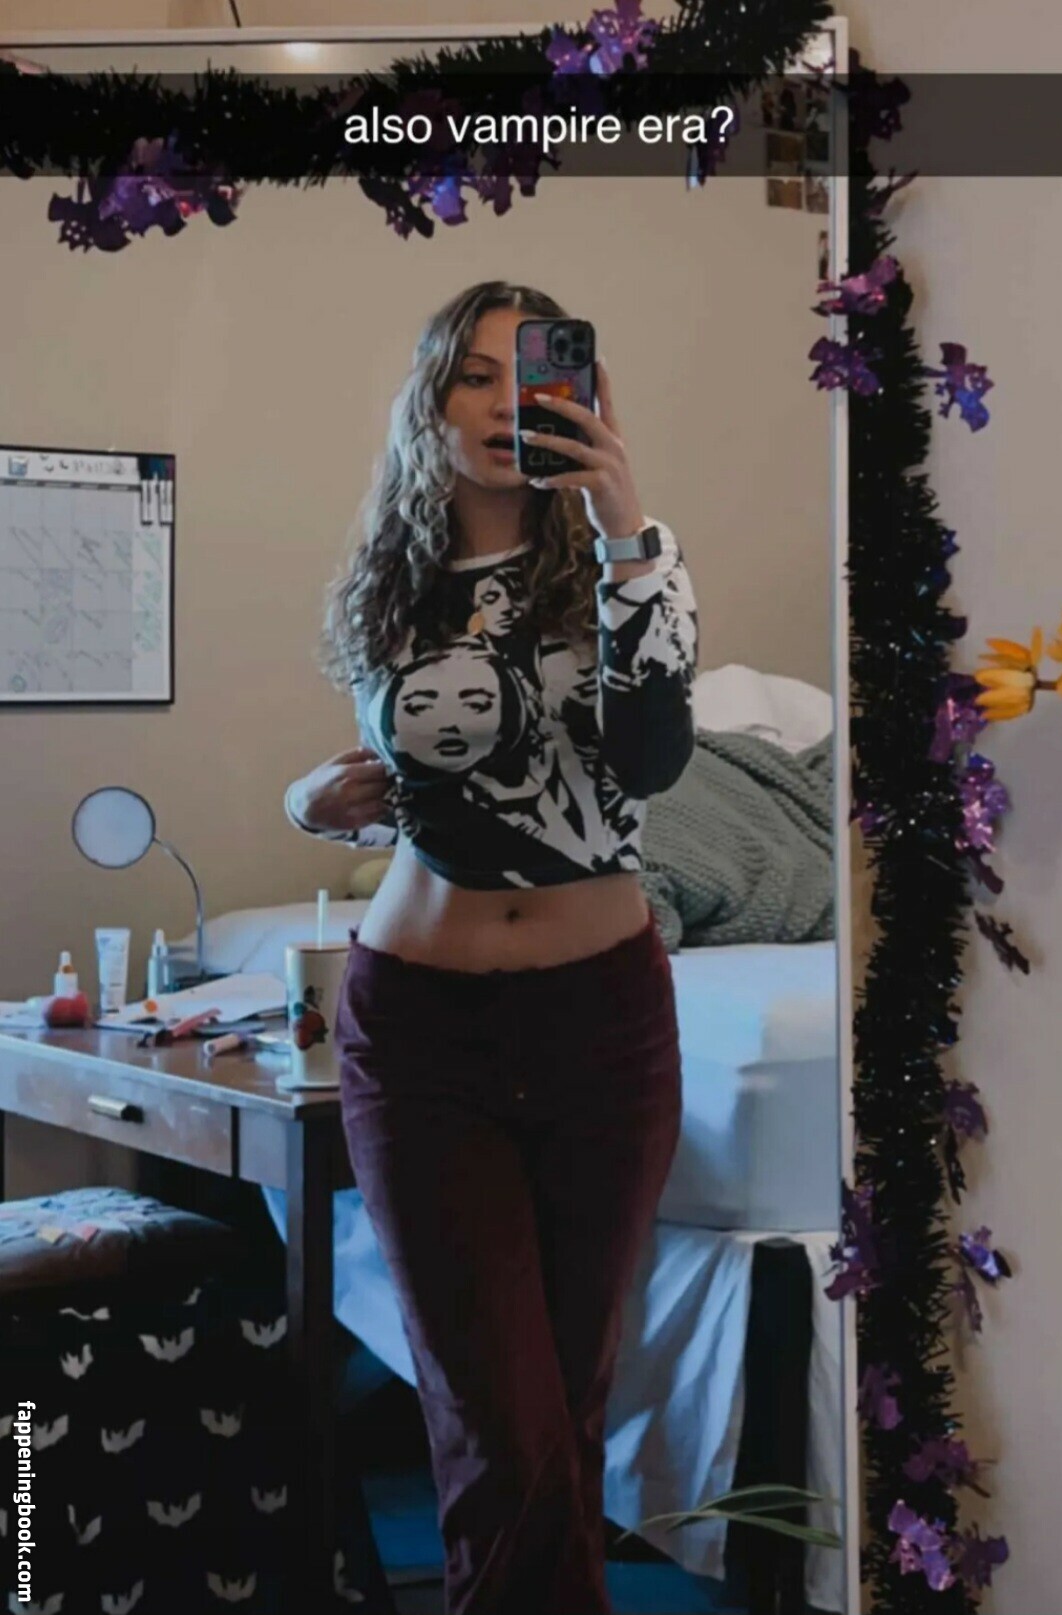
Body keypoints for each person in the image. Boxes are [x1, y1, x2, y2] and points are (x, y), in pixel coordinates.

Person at [284, 280, 697, 1615]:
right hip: (422, 1030)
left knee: (561, 1411)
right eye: (474, 375)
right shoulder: (390, 587)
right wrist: (305, 802)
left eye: (535, 376)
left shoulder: (631, 567)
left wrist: (624, 519)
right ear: (432, 401)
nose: (505, 403)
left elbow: (652, 758)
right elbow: (407, 777)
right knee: (501, 1428)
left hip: (602, 1030)